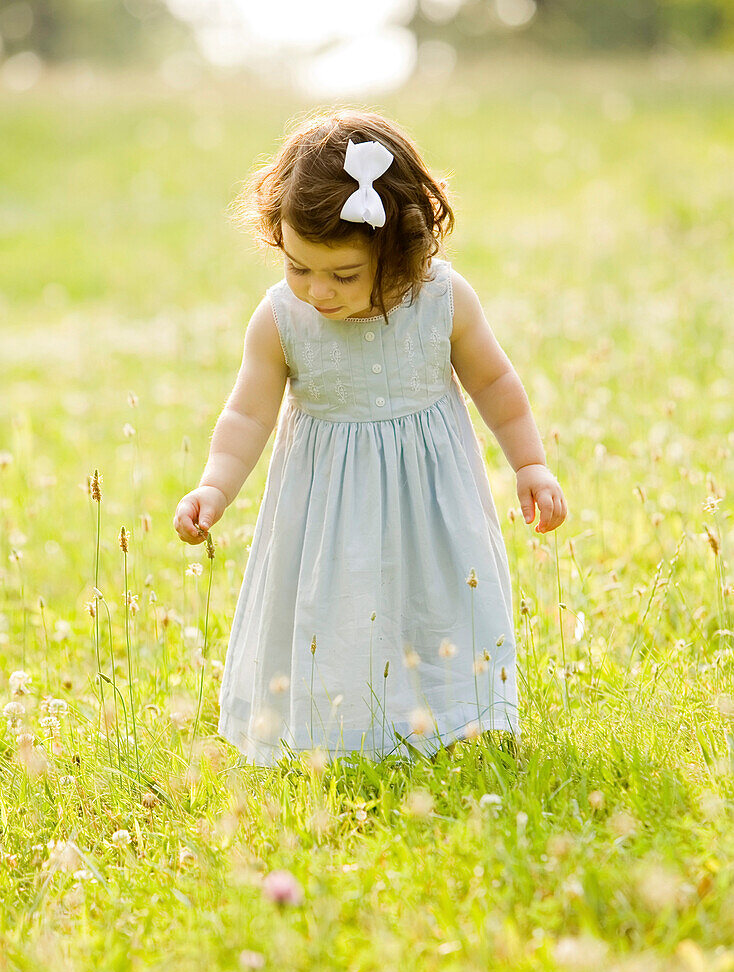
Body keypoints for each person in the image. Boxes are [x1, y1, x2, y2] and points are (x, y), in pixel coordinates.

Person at [173, 109, 567, 767]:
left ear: (400, 249)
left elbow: (495, 382)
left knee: (435, 606)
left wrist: (530, 464)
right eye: (300, 267)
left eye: (343, 275)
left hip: (432, 509)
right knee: (335, 618)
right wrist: (215, 486)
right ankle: (339, 732)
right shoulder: (280, 319)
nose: (317, 291)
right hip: (325, 513)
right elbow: (248, 415)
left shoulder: (443, 300)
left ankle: (452, 722)